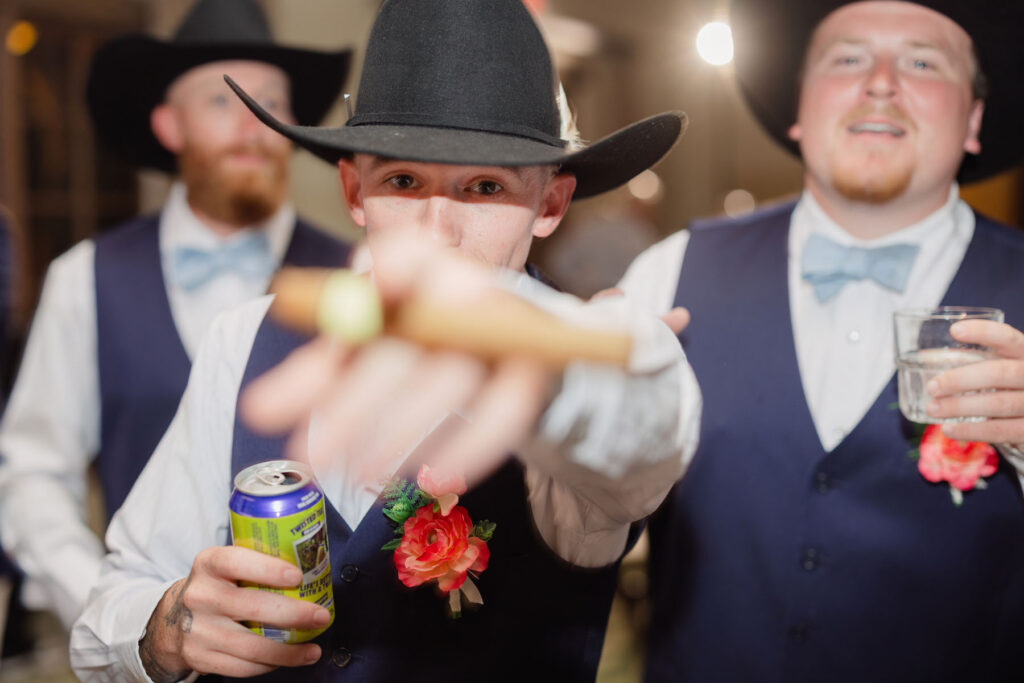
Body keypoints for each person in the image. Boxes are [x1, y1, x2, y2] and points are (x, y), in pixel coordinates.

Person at [70, 0, 699, 680]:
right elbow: (118, 592)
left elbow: (647, 433)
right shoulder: (244, 337)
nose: (438, 231)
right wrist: (165, 628)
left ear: (549, 204)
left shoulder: (570, 367)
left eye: (486, 186)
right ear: (354, 192)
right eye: (403, 180)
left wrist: (561, 375)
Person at [618, 1, 1024, 680]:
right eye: (849, 58)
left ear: (975, 119)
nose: (881, 82)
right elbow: (580, 522)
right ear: (799, 109)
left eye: (923, 62)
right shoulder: (670, 271)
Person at [0, 0, 351, 630]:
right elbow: (32, 475)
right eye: (222, 101)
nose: (252, 125)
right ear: (169, 125)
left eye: (270, 102)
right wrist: (118, 617)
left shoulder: (358, 277)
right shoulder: (85, 279)